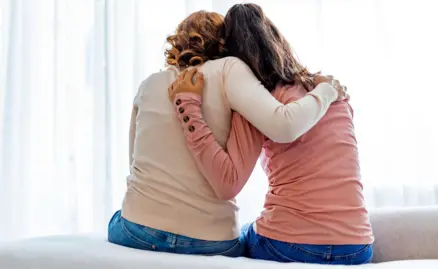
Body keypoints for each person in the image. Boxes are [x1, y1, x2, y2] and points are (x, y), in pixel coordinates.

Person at [107, 10, 343, 257]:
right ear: (224, 41)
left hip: (138, 230)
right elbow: (282, 125)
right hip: (211, 240)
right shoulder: (230, 69)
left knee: (118, 217)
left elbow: (134, 163)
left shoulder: (149, 84)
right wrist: (326, 91)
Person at [167, 3, 374, 264]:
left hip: (289, 244)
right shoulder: (332, 93)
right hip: (357, 246)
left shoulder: (256, 103)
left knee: (236, 238)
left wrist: (189, 109)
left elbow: (227, 183)